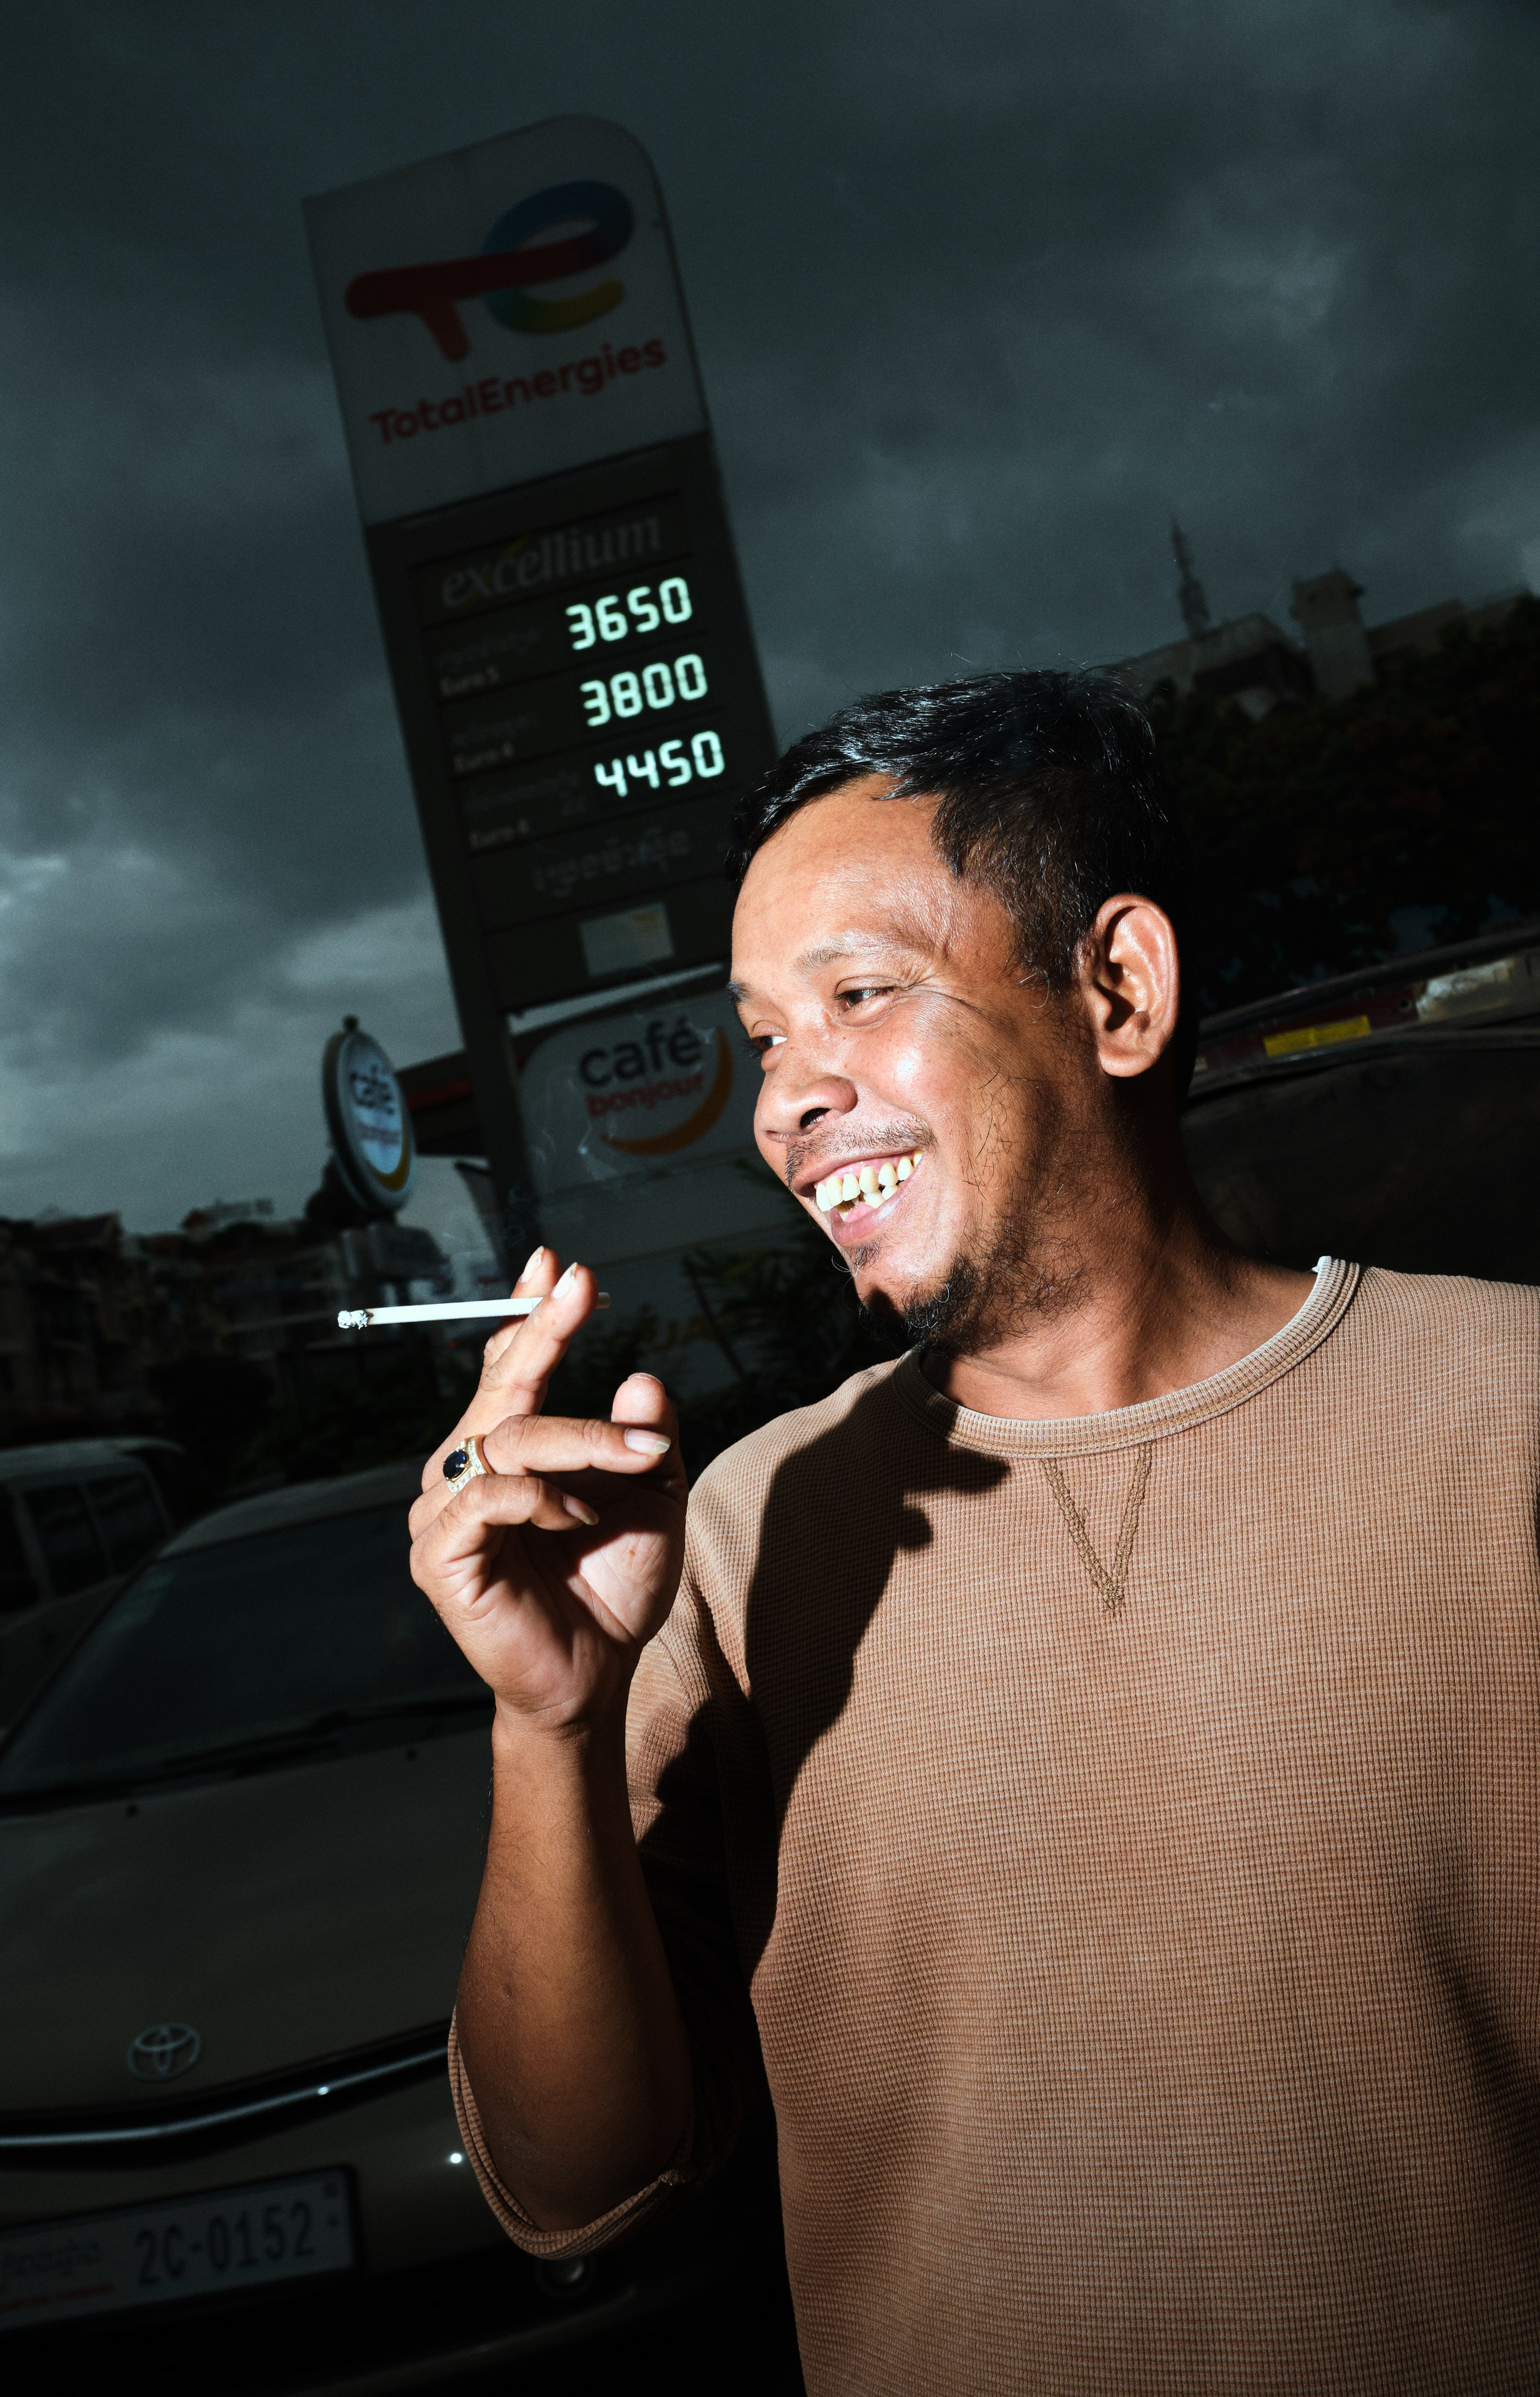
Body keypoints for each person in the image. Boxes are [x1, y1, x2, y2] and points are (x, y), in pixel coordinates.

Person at [409, 669, 1540, 2397]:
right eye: (765, 1040)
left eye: (857, 996)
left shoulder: (1509, 1416)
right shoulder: (739, 1531)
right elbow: (576, 2194)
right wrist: (547, 1720)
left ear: (1118, 989)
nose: (785, 1100)